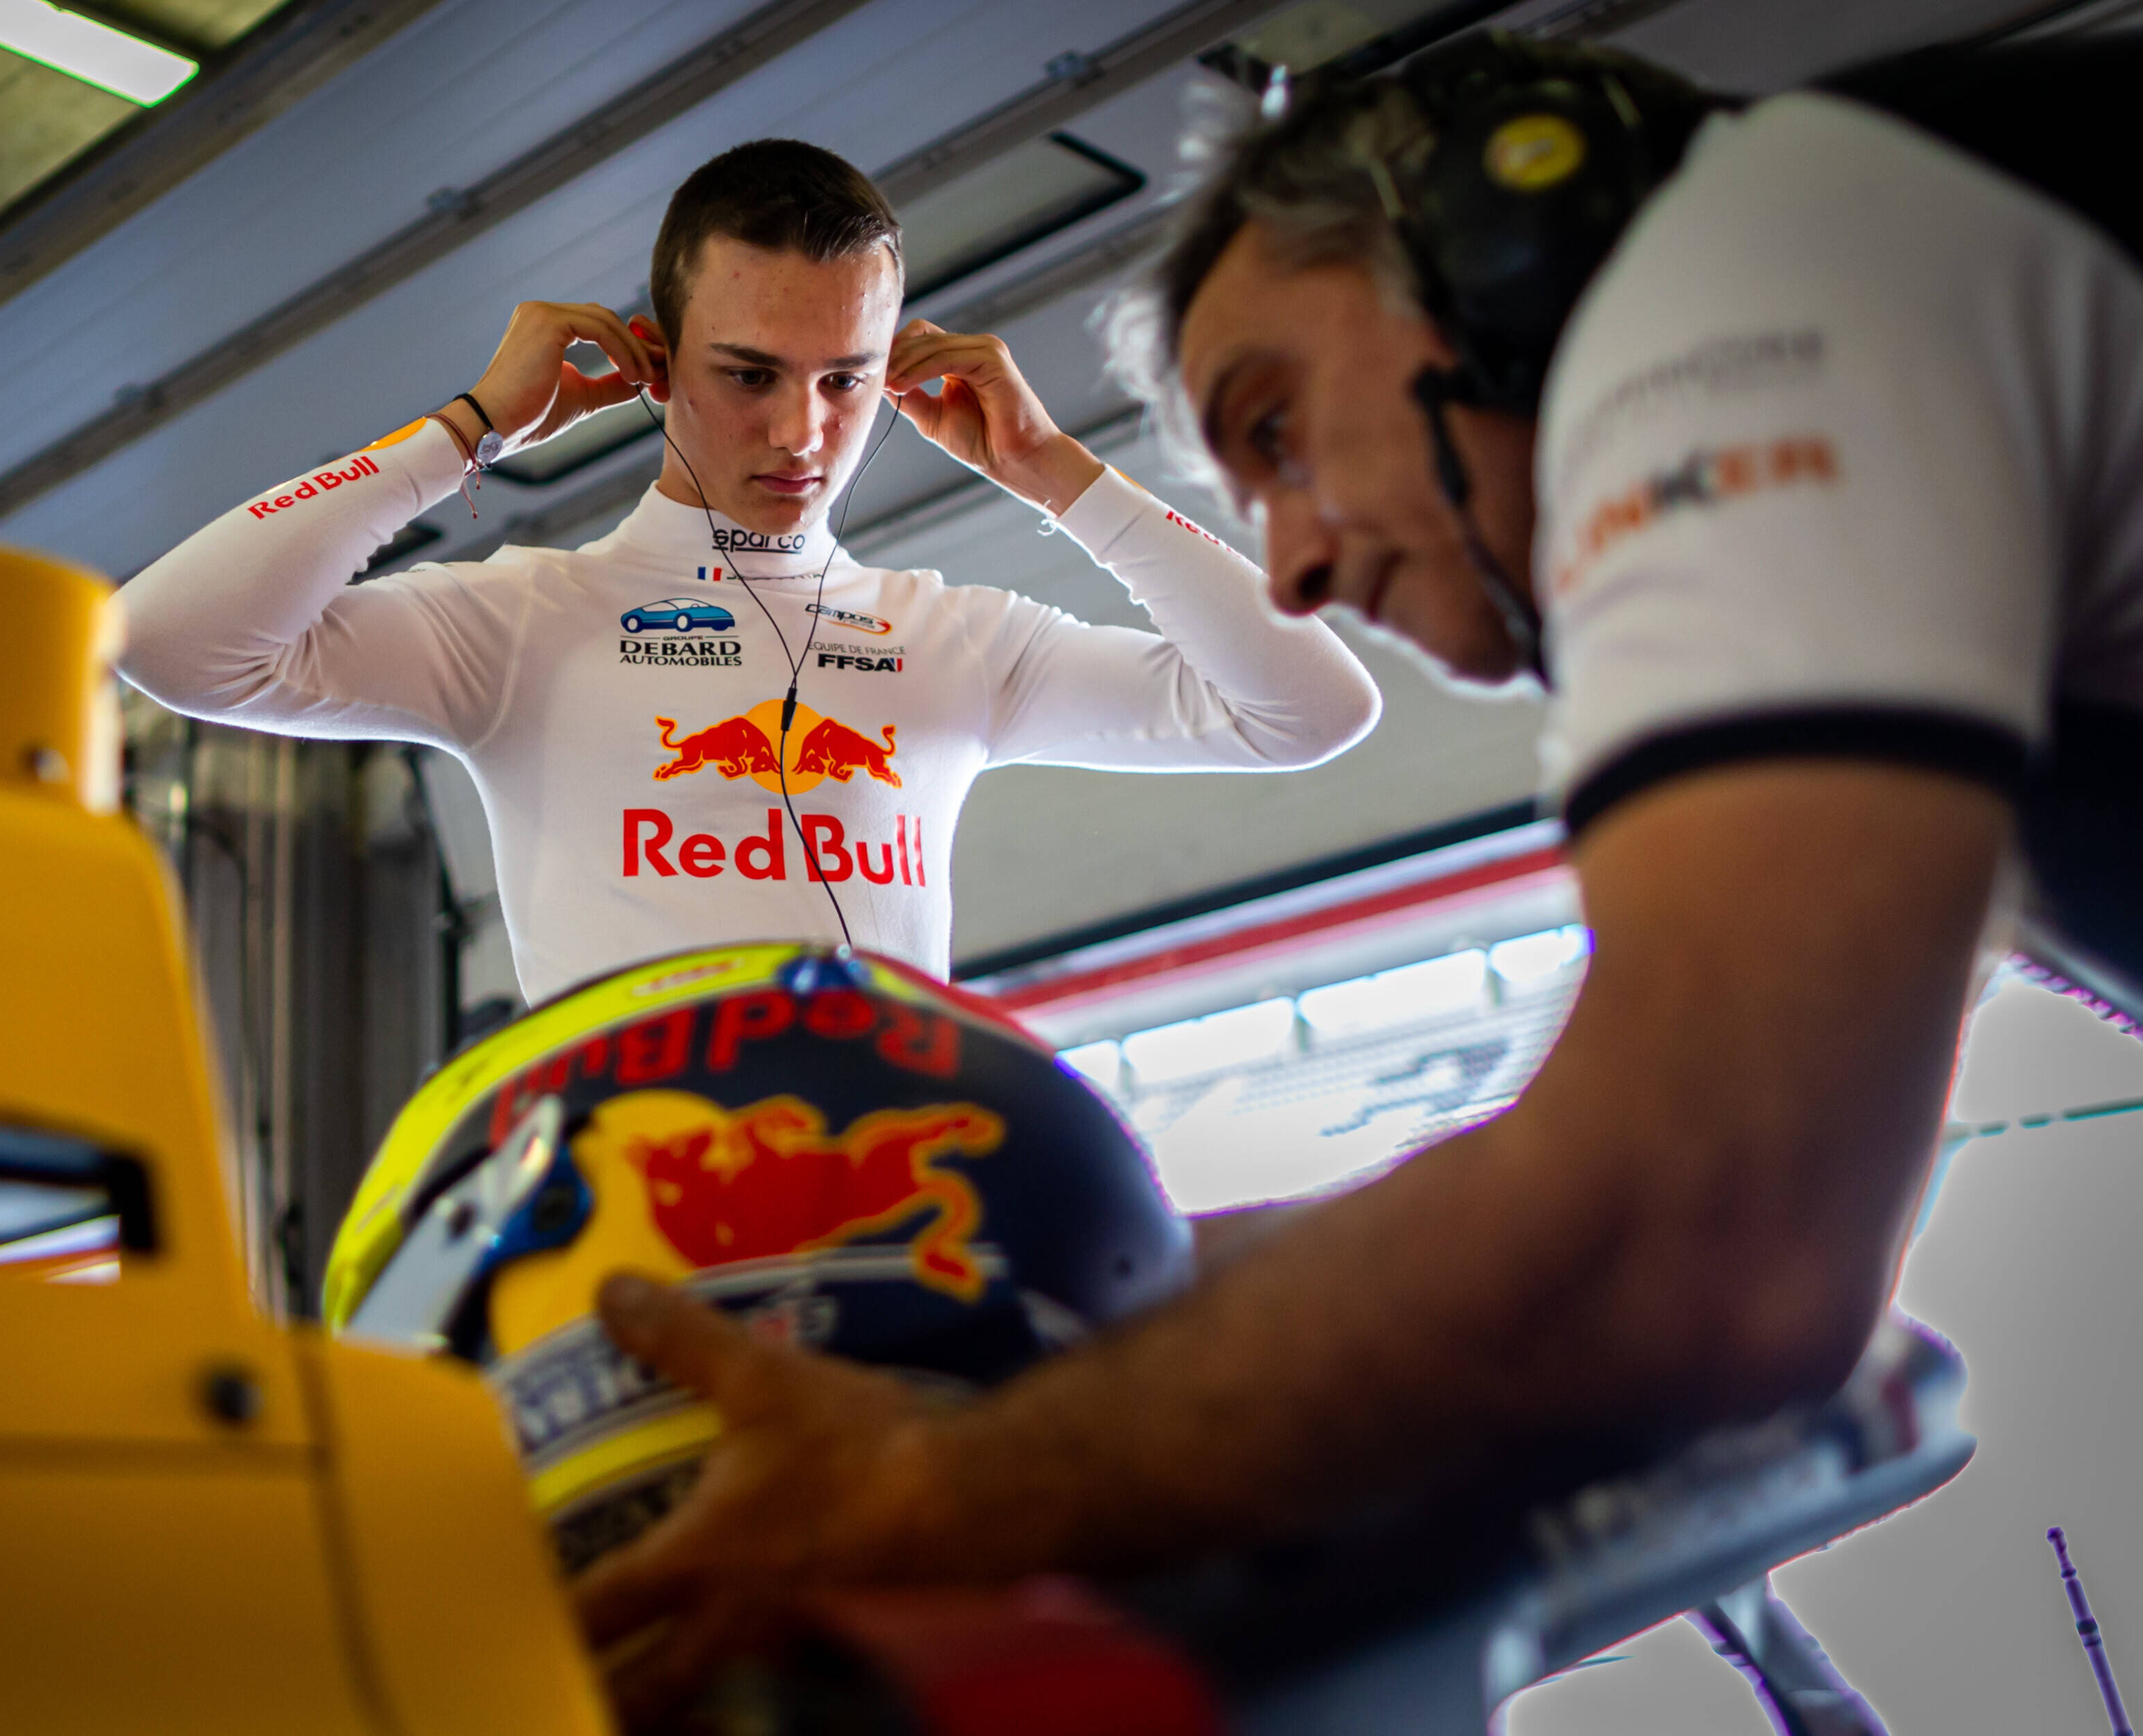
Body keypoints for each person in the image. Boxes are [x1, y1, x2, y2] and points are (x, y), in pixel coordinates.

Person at [563, 32, 2143, 1719]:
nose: (1299, 563)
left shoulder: (1747, 276)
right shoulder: (1960, 493)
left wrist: (944, 1492)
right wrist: (1049, 1349)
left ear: (1509, 239)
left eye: (1276, 426)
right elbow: (1628, 1175)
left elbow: (1692, 1228)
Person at [119, 140, 1380, 1006]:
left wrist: (1055, 472)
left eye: (848, 380)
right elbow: (164, 641)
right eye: (751, 374)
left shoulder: (960, 642)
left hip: (893, 1250)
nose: (803, 434)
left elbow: (1311, 712)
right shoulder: (516, 622)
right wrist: (467, 429)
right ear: (656, 362)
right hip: (630, 1258)